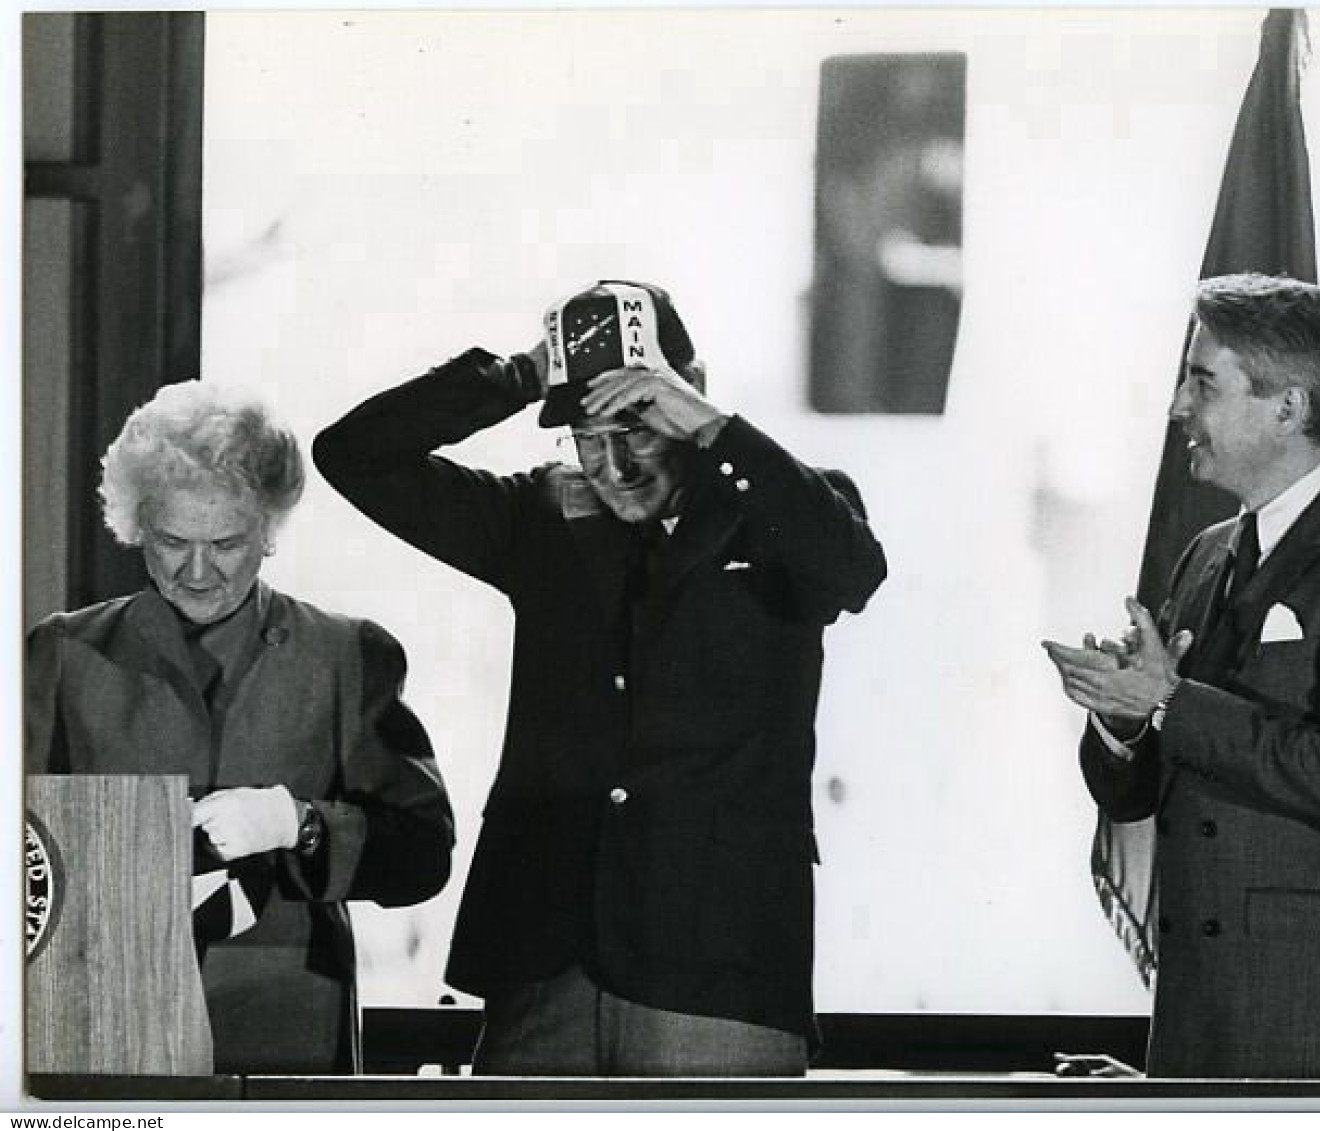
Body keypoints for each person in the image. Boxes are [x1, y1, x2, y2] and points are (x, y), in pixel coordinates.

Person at [313, 280, 887, 1076]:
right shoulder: (537, 517)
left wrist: (712, 426)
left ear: (688, 398)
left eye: (636, 428)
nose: (613, 466)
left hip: (717, 972)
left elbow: (853, 570)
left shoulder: (782, 507)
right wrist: (516, 376)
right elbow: (354, 455)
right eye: (587, 436)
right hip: (542, 963)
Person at [1042, 273, 1320, 1078]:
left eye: (1201, 381)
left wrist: (1167, 699)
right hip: (1198, 1020)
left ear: (1288, 408)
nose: (1176, 409)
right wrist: (1123, 723)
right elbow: (1139, 793)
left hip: (1314, 1024)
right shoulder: (1206, 554)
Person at [25, 381, 456, 1074]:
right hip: (105, 1014)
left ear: (268, 531)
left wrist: (303, 824)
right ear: (136, 526)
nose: (197, 571)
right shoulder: (64, 651)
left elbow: (422, 856)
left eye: (225, 542)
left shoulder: (347, 653)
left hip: (286, 1023)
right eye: (171, 541)